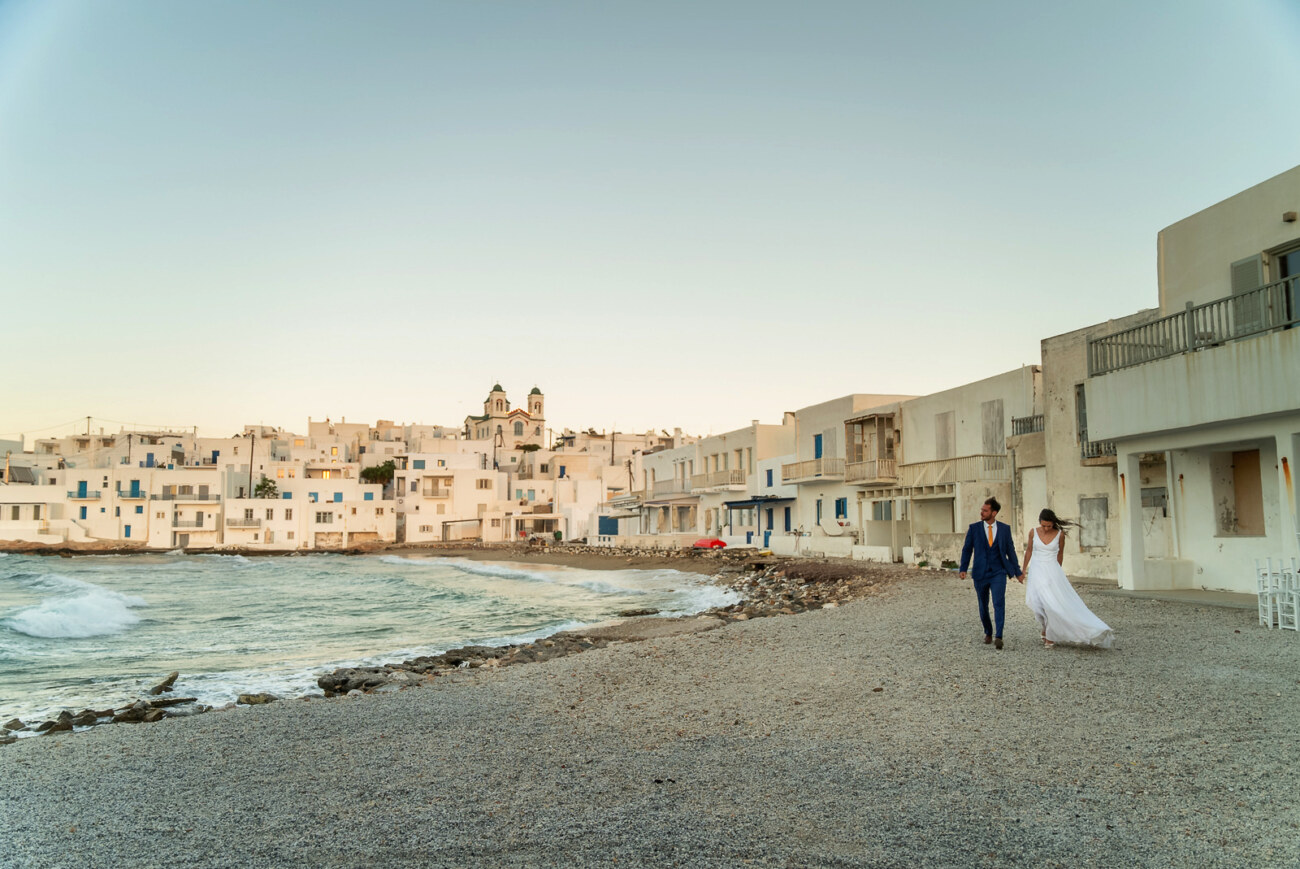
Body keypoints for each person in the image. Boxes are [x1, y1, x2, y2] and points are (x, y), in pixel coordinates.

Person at [1022, 508, 1114, 648]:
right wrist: (1023, 569)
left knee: (1051, 604)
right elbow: (1029, 550)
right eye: (1043, 525)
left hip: (1052, 571)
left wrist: (1057, 574)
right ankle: (1044, 627)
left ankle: (1051, 636)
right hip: (1036, 571)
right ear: (1039, 522)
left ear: (1053, 523)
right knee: (1037, 604)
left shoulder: (1060, 535)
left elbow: (1060, 555)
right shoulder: (1033, 532)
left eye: (1049, 525)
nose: (1046, 528)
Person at [958, 497, 1023, 649]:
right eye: (982, 510)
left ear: (994, 513)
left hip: (998, 572)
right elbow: (967, 549)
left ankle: (999, 636)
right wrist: (963, 568)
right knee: (983, 605)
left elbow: (1010, 551)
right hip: (980, 573)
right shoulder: (974, 528)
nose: (982, 512)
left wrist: (1018, 571)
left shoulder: (1004, 529)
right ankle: (988, 631)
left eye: (985, 510)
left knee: (999, 602)